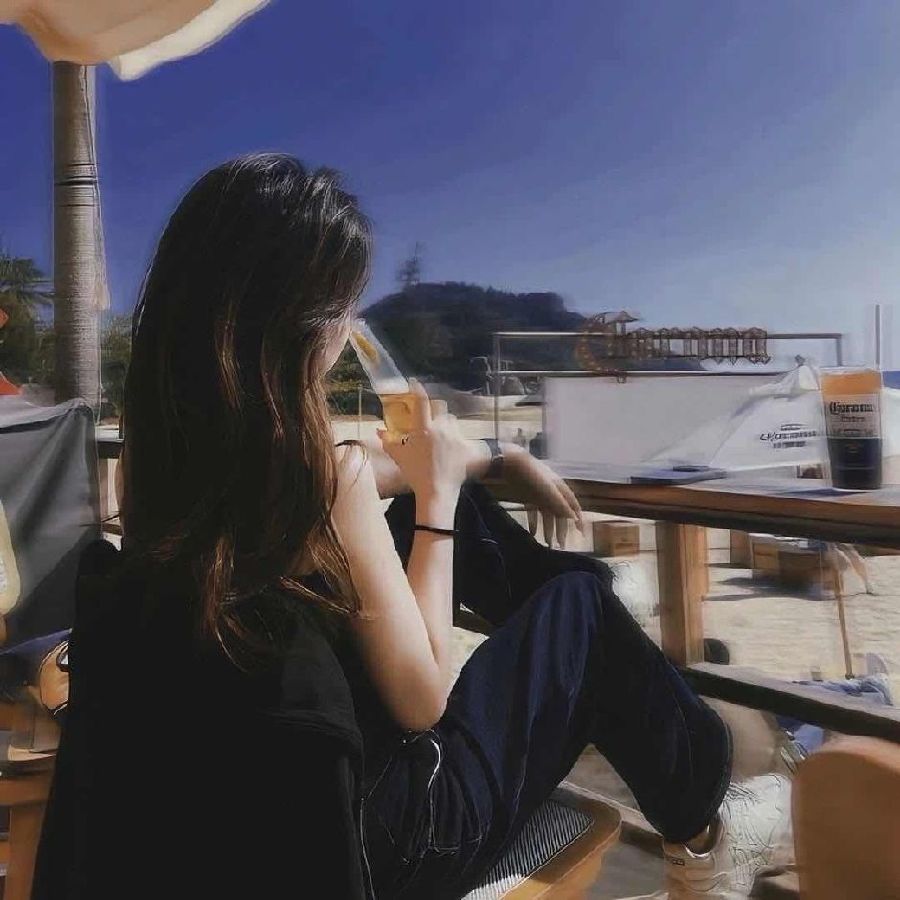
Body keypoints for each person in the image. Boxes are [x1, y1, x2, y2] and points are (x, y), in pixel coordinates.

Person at [38, 154, 791, 900]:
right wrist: (435, 496)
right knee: (579, 608)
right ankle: (705, 827)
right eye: (343, 310)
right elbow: (423, 700)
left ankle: (598, 631)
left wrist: (488, 461)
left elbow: (372, 470)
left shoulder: (155, 468)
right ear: (302, 326)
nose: (347, 331)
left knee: (441, 513)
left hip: (245, 807)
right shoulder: (328, 482)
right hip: (390, 838)